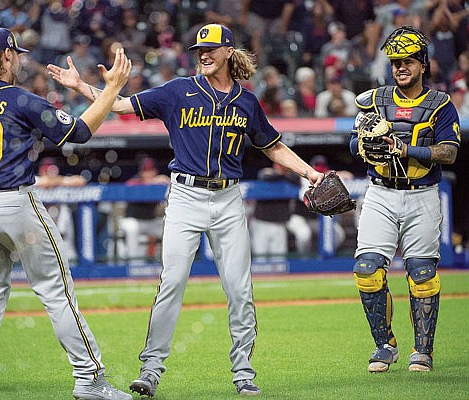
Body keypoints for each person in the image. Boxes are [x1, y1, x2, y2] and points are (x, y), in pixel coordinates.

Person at [48, 23, 324, 396]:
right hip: (186, 198)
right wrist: (81, 87)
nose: (203, 55)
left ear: (229, 51)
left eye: (210, 49)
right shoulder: (179, 90)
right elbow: (122, 105)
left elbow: (272, 145)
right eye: (199, 50)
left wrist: (310, 172)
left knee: (240, 290)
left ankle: (243, 372)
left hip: (228, 199)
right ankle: (150, 370)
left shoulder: (246, 101)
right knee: (172, 283)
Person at [0, 27, 132, 400]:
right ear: (5, 56)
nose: (18, 59)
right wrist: (112, 89)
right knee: (56, 292)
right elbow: (80, 132)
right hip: (13, 203)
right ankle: (90, 379)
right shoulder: (19, 99)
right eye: (15, 54)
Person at [350, 25, 460, 373]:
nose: (401, 67)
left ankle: (423, 351)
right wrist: (365, 144)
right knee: (366, 269)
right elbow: (354, 144)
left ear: (423, 64)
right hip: (381, 192)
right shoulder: (374, 100)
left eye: (409, 61)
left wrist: (405, 147)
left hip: (422, 195)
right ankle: (384, 345)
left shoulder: (440, 105)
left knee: (422, 272)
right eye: (396, 61)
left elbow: (449, 152)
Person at [118, 157, 170, 262]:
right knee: (132, 229)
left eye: (151, 171)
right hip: (132, 220)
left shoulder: (159, 184)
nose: (149, 174)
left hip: (151, 221)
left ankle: (165, 262)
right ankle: (134, 263)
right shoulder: (135, 181)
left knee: (169, 228)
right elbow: (128, 186)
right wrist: (152, 182)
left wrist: (168, 182)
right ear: (141, 172)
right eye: (146, 171)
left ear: (155, 171)